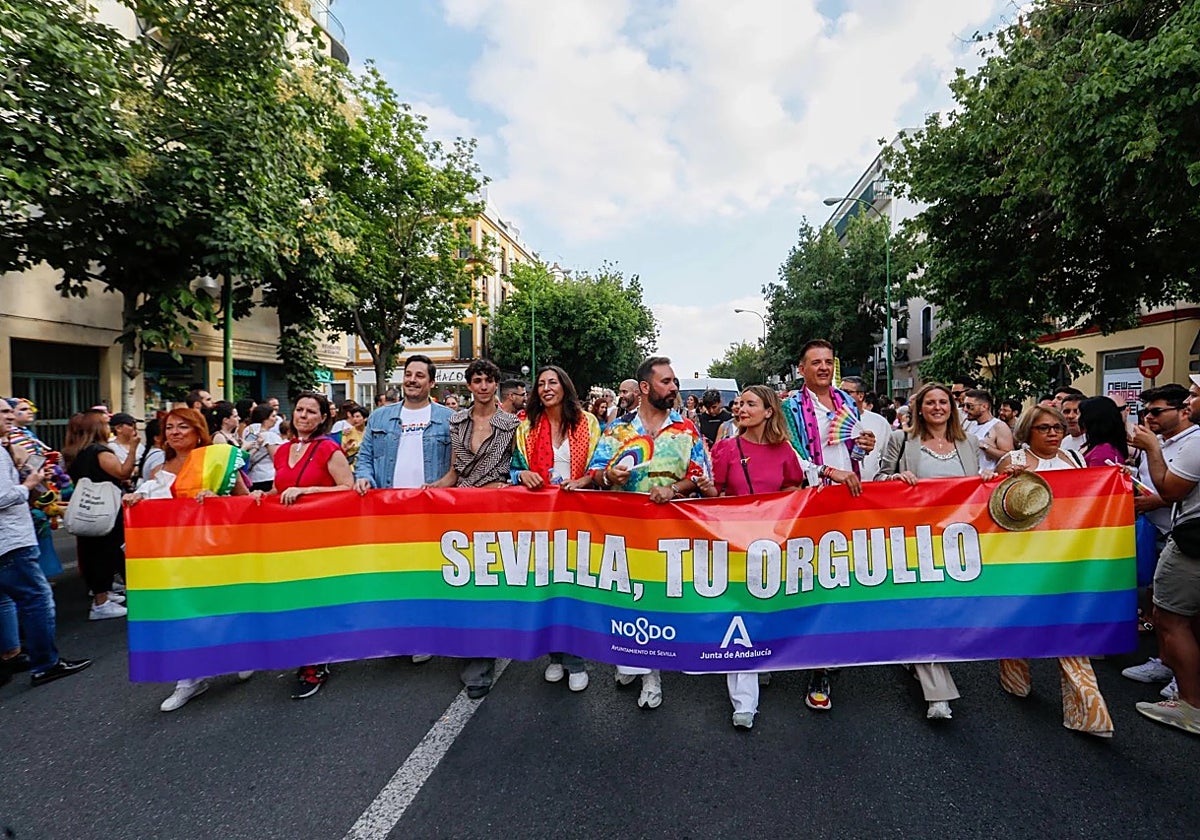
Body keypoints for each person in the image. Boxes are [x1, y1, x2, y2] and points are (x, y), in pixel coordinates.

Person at [588, 356, 711, 710]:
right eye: (667, 382)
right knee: (629, 601)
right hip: (625, 533)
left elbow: (701, 473)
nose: (674, 388)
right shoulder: (617, 431)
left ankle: (651, 668)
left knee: (661, 602)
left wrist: (676, 489)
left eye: (674, 382)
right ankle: (641, 668)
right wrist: (609, 477)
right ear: (645, 387)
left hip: (672, 534)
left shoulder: (686, 430)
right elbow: (596, 470)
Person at [994, 405, 1114, 737]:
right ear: (1027, 433)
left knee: (1067, 630)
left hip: (1067, 558)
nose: (1053, 433)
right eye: (1044, 428)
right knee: (1020, 620)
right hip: (1023, 559)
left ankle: (1089, 712)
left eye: (1058, 427)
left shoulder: (1074, 459)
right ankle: (1014, 676)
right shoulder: (1013, 462)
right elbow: (995, 508)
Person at [126, 407, 249, 711]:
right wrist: (135, 501)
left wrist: (217, 500)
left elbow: (245, 502)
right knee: (181, 614)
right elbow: (153, 503)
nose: (175, 432)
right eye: (169, 428)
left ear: (198, 430)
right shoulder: (158, 467)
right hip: (174, 555)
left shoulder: (218, 460)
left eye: (183, 426)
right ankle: (189, 679)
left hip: (213, 550)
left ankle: (240, 653)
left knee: (220, 605)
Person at [877, 382, 984, 720]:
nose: (937, 407)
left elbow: (978, 486)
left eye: (943, 402)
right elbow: (879, 479)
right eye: (930, 402)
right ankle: (938, 694)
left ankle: (915, 654)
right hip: (914, 540)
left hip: (957, 542)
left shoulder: (969, 443)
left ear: (952, 407)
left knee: (945, 612)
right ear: (918, 409)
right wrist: (895, 480)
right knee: (924, 611)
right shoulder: (901, 441)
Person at [699, 386, 804, 729]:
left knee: (768, 606)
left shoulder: (785, 450)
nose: (741, 408)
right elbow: (716, 493)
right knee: (741, 612)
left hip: (772, 543)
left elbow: (794, 485)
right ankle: (744, 701)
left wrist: (776, 506)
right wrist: (705, 486)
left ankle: (763, 658)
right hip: (735, 542)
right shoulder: (726, 447)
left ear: (769, 411)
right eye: (739, 403)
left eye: (750, 404)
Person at [781, 339, 875, 711]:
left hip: (846, 498)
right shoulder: (790, 407)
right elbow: (790, 453)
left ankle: (827, 654)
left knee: (839, 576)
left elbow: (851, 449)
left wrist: (863, 446)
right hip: (810, 499)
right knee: (813, 579)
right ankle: (814, 659)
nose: (823, 368)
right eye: (815, 362)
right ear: (801, 368)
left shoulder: (846, 402)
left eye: (828, 362)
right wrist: (825, 471)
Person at [251, 392, 354, 699]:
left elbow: (347, 489)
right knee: (294, 597)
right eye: (300, 410)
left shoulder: (329, 449)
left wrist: (306, 490)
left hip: (321, 537)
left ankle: (316, 661)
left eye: (312, 411)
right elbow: (279, 487)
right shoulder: (282, 451)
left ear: (323, 418)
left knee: (315, 598)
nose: (304, 416)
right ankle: (308, 653)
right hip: (288, 538)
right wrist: (263, 496)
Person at [428, 360, 518, 697]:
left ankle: (482, 662)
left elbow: (518, 467)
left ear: (496, 385)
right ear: (469, 385)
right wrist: (431, 490)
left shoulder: (512, 423)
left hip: (496, 508)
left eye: (488, 380)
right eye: (477, 380)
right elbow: (454, 471)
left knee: (489, 581)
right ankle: (471, 649)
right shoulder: (457, 420)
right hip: (462, 509)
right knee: (464, 581)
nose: (482, 386)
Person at [512, 365, 602, 693]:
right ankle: (554, 657)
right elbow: (514, 468)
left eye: (553, 382)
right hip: (541, 518)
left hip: (578, 515)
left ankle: (576, 661)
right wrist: (522, 476)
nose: (547, 388)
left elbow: (599, 464)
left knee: (574, 585)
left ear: (565, 386)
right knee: (547, 584)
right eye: (541, 384)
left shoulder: (588, 423)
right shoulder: (526, 427)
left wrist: (584, 480)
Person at [1126, 374, 1200, 734]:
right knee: (1177, 613)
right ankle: (1171, 669)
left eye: (1195, 396)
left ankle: (1190, 703)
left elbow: (1170, 490)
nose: (1190, 400)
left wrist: (1153, 448)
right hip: (1175, 533)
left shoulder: (1195, 443)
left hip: (1189, 540)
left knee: (1171, 617)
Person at [0, 399, 92, 688]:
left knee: (5, 599)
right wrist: (28, 486)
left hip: (11, 536)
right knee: (37, 598)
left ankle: (11, 655)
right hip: (11, 540)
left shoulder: (8, 447)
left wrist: (35, 478)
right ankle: (46, 664)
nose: (11, 416)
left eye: (9, 410)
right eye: (3, 412)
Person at [63, 410, 140, 620]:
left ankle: (103, 594)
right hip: (105, 508)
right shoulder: (98, 451)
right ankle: (101, 601)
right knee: (105, 552)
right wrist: (132, 449)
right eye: (106, 424)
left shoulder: (75, 452)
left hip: (87, 509)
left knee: (92, 552)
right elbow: (123, 472)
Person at [6, 398, 70, 579]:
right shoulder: (13, 438)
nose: (29, 412)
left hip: (36, 486)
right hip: (24, 492)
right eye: (22, 409)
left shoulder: (25, 434)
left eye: (29, 408)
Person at [839, 376, 893, 481]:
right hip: (838, 487)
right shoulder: (830, 420)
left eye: (846, 392)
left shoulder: (880, 422)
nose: (840, 395)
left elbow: (887, 457)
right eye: (838, 391)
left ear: (860, 395)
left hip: (870, 486)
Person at [962, 388, 1014, 471]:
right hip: (971, 477)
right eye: (963, 405)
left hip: (989, 479)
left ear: (984, 406)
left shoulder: (999, 426)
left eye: (969, 406)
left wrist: (985, 446)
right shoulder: (970, 424)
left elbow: (1009, 457)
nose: (965, 409)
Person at [242, 403, 284, 492]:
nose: (276, 419)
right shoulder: (271, 436)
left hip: (251, 477)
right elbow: (278, 459)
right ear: (265, 418)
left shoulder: (248, 432)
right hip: (268, 477)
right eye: (273, 416)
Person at [1078, 396, 1129, 467]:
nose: (1078, 418)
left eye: (1081, 415)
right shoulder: (1103, 448)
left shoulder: (1102, 452)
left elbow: (1097, 477)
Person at [107, 413, 146, 485]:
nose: (135, 428)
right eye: (131, 425)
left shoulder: (140, 446)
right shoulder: (111, 447)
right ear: (118, 428)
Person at [341, 404, 368, 468]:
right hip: (351, 466)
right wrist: (346, 448)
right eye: (353, 417)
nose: (355, 419)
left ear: (365, 419)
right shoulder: (348, 432)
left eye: (358, 416)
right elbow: (341, 452)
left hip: (366, 465)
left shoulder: (370, 432)